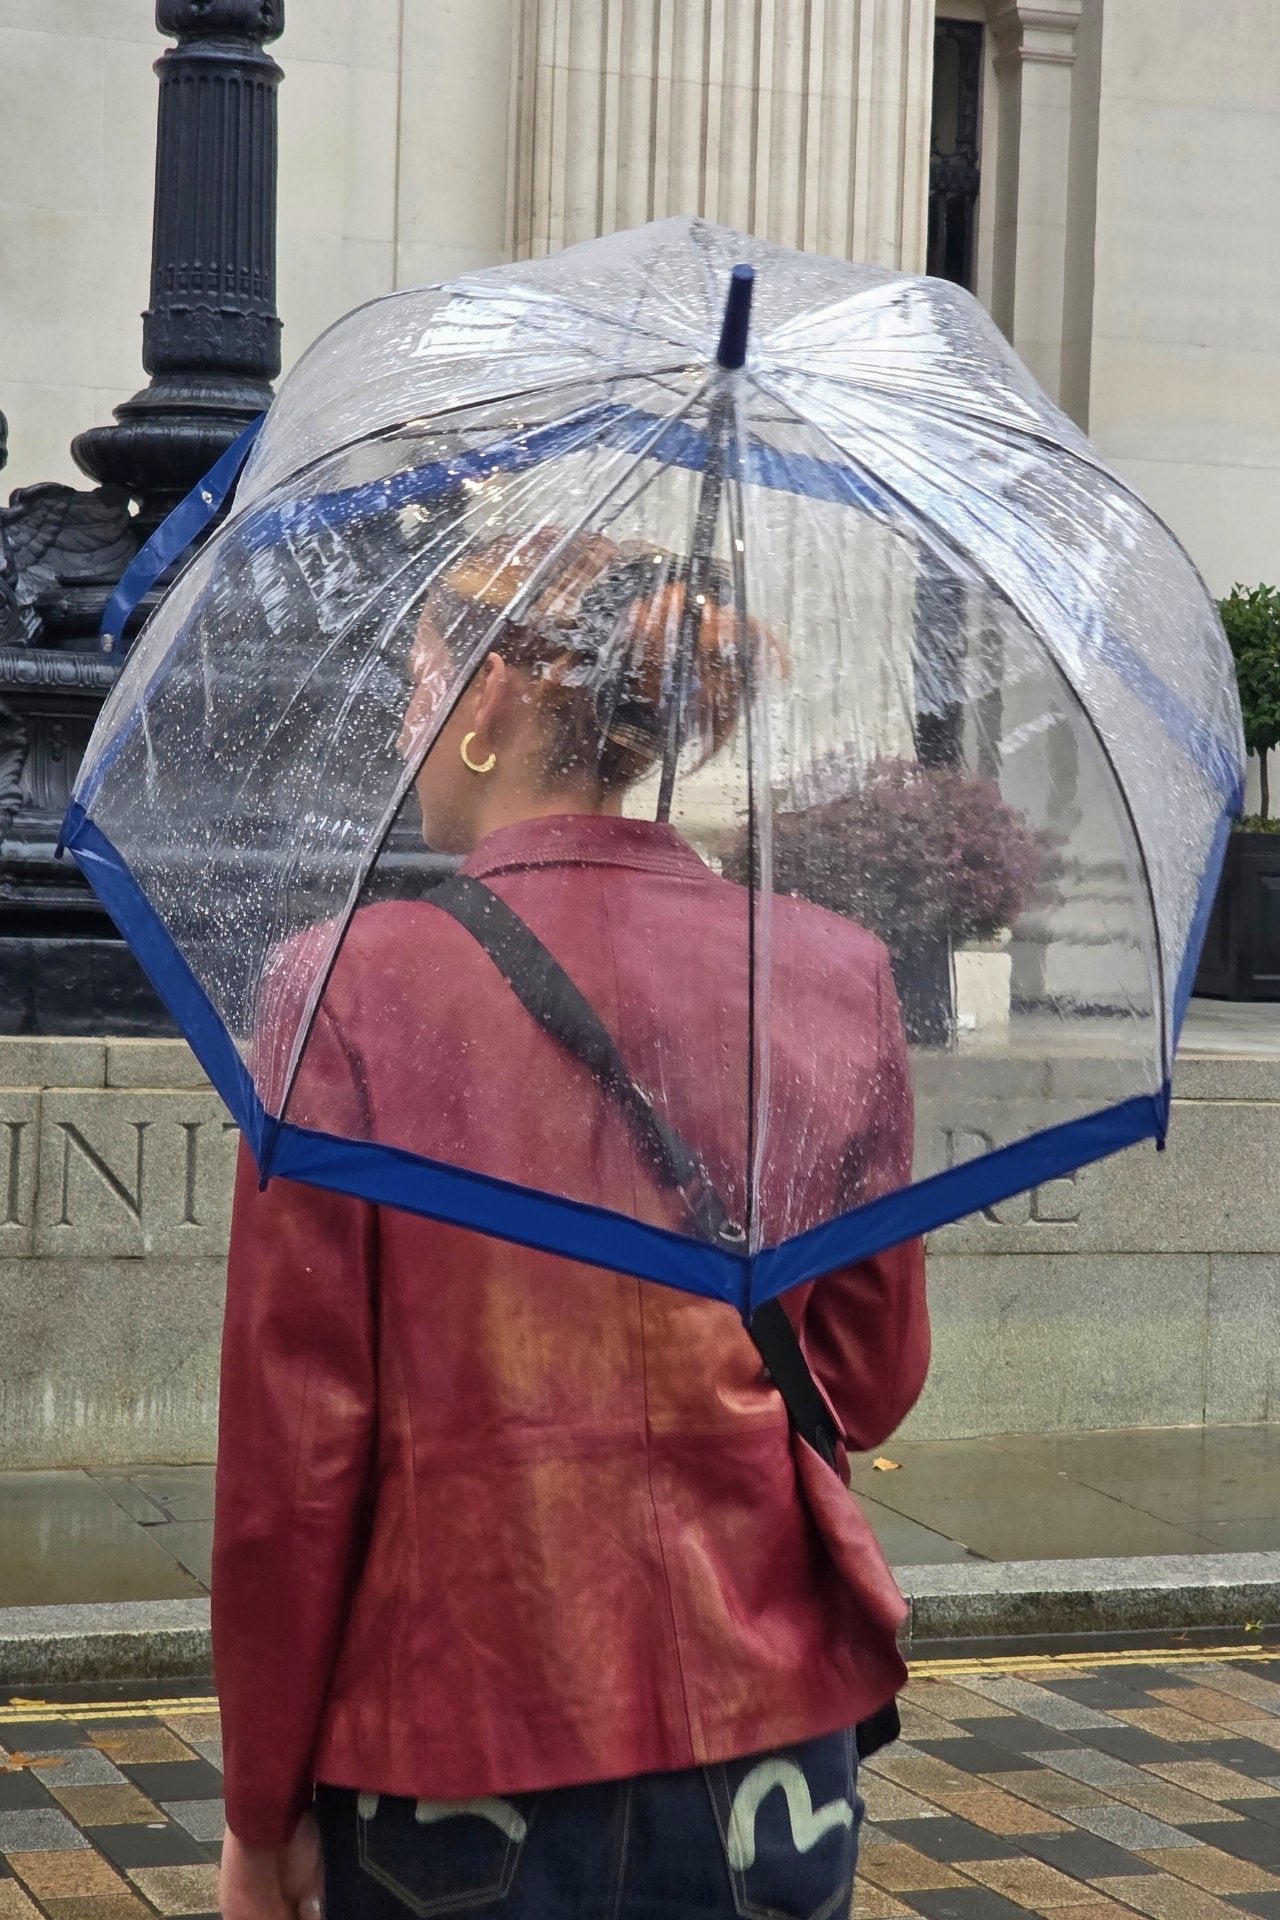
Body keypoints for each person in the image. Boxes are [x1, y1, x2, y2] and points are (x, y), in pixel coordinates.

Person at [214, 526, 930, 1920]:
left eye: (418, 679)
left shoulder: (343, 986)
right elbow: (869, 1371)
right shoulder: (832, 973)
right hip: (769, 1737)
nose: (407, 726)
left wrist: (260, 1809)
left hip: (456, 1747)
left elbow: (293, 1467)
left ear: (488, 698)